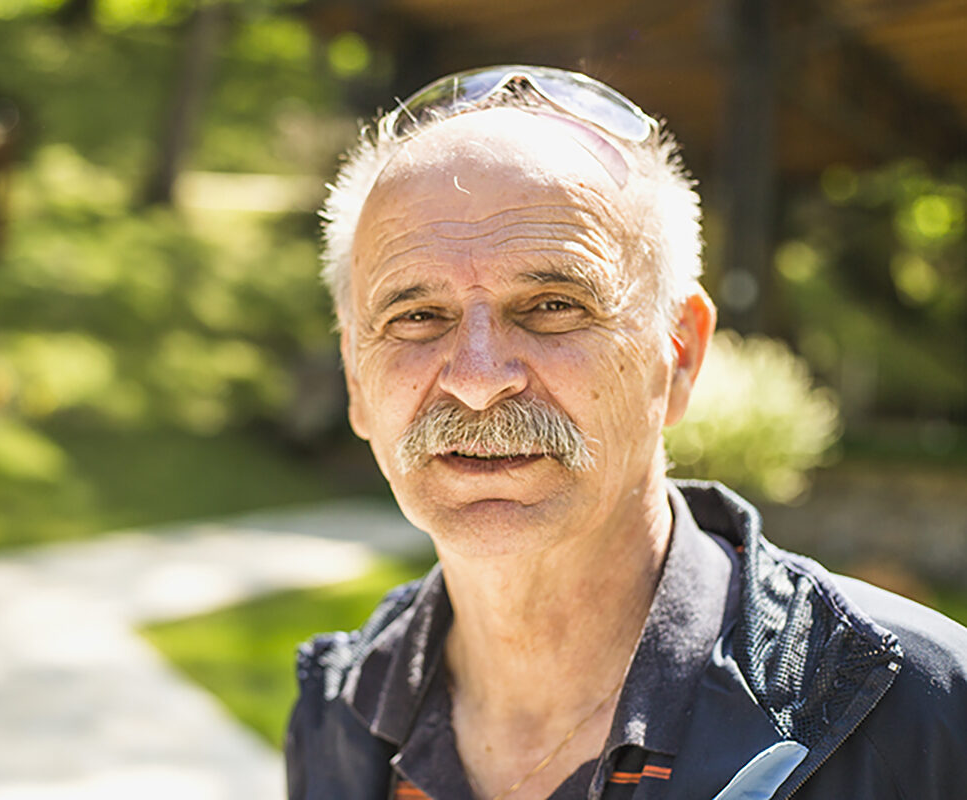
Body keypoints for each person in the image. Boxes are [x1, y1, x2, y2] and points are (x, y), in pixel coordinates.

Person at [285, 65, 967, 800]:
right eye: (417, 317)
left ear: (678, 355)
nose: (477, 378)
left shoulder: (926, 721)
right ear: (357, 376)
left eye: (552, 305)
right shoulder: (336, 715)